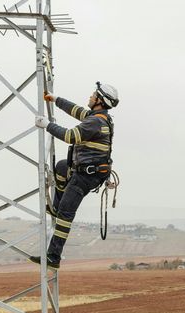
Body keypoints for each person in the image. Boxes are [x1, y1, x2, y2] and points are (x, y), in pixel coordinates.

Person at [30, 82, 119, 269]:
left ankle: (54, 257)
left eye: (94, 94)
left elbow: (71, 136)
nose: (91, 96)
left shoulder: (95, 122)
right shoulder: (99, 117)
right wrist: (55, 99)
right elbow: (75, 110)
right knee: (62, 167)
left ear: (99, 101)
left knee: (65, 215)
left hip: (86, 177)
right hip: (87, 171)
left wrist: (47, 125)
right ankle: (56, 206)